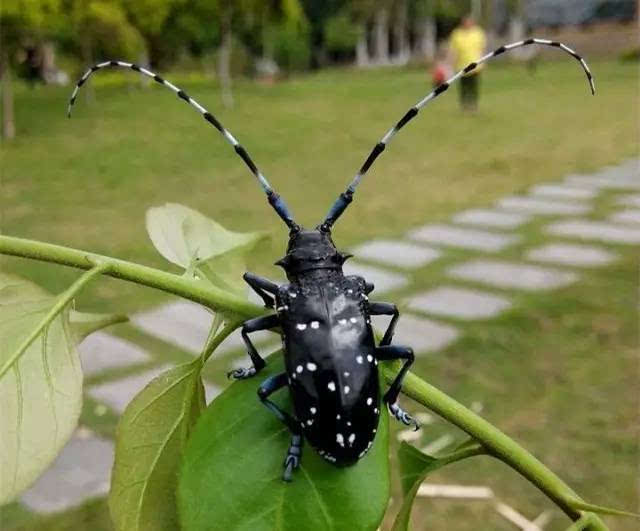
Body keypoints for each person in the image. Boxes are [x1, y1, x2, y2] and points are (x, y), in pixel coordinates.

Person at [449, 16, 487, 111]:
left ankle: (473, 105)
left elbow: (482, 48)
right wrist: (452, 62)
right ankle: (464, 105)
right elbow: (453, 50)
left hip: (476, 65)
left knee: (473, 86)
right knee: (463, 87)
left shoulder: (478, 32)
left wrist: (484, 61)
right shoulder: (457, 33)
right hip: (461, 65)